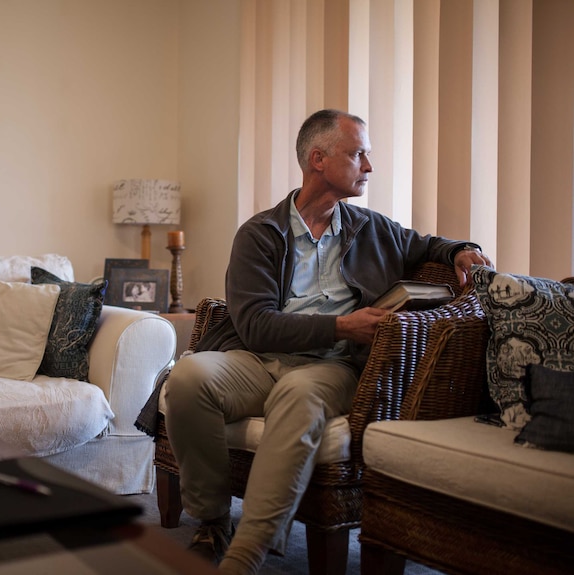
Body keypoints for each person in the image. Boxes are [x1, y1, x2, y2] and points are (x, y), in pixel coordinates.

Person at [163, 109, 493, 574]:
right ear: (318, 159)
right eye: (359, 154)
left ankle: (245, 556)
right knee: (189, 375)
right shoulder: (260, 234)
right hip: (258, 358)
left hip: (332, 367)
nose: (369, 166)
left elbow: (430, 245)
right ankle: (214, 521)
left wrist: (461, 249)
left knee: (299, 396)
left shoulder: (372, 228)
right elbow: (256, 325)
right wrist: (343, 325)